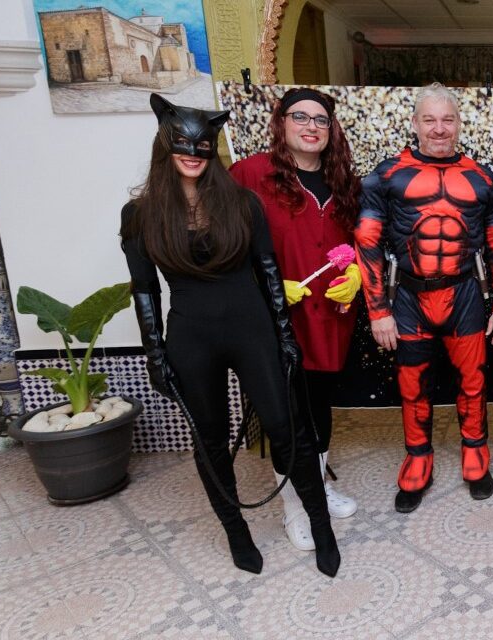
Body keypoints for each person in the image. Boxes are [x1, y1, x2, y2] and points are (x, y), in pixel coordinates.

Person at [122, 93, 339, 577]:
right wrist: (155, 355)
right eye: (182, 144)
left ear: (213, 149)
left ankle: (321, 528)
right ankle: (236, 533)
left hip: (252, 329)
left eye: (202, 146)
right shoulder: (139, 214)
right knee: (211, 441)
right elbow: (144, 292)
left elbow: (267, 271)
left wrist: (285, 336)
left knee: (289, 431)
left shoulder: (242, 203)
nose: (192, 154)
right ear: (165, 144)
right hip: (191, 336)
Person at [356, 83, 493, 513]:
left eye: (447, 120)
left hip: (464, 291)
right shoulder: (385, 176)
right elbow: (366, 242)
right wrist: (378, 311)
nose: (439, 129)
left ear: (459, 123)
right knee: (411, 384)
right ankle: (418, 456)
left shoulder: (485, 180)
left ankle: (475, 452)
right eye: (430, 119)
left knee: (474, 379)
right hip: (408, 295)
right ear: (415, 123)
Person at [230, 87, 362, 550]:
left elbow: (361, 243)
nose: (311, 126)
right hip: (276, 322)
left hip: (329, 320)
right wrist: (261, 285)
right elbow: (221, 246)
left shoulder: (343, 180)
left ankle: (319, 489)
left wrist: (360, 276)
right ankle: (294, 508)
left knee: (319, 409)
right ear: (280, 122)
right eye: (300, 117)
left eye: (321, 120)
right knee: (287, 419)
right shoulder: (249, 175)